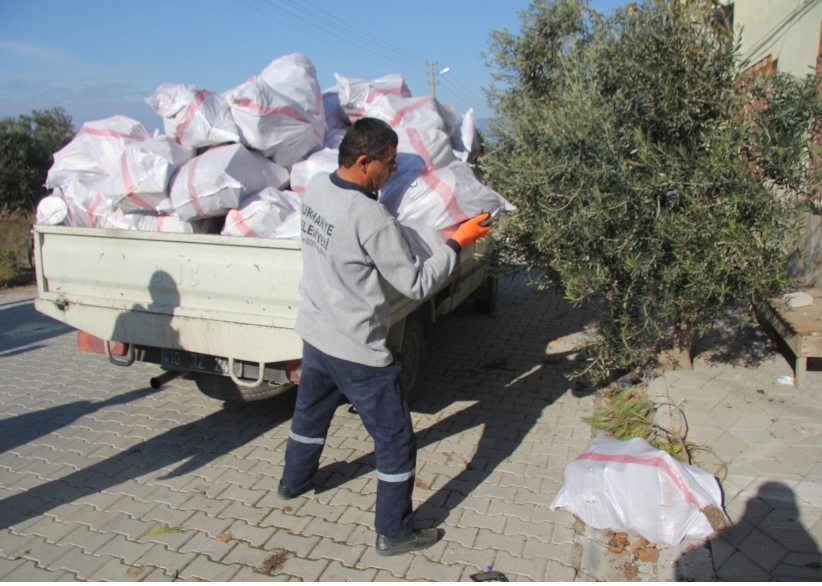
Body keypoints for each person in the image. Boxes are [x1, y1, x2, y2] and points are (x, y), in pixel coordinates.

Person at [278, 117, 491, 556]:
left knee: (310, 415)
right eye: (389, 165)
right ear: (362, 162)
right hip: (357, 347)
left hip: (316, 333)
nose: (393, 173)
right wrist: (457, 242)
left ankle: (293, 481)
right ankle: (394, 531)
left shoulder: (318, 187)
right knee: (395, 439)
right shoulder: (371, 217)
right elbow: (415, 284)